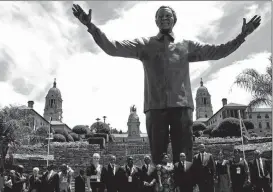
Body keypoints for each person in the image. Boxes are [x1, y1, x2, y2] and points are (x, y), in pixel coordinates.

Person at [72, 3, 261, 165]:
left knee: (185, 161)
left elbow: (218, 51)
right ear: (155, 21)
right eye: (160, 16)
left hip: (182, 108)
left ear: (174, 20)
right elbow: (113, 47)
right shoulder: (144, 44)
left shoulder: (186, 46)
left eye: (168, 15)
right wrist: (91, 26)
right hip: (155, 108)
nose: (164, 18)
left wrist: (241, 36)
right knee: (158, 162)